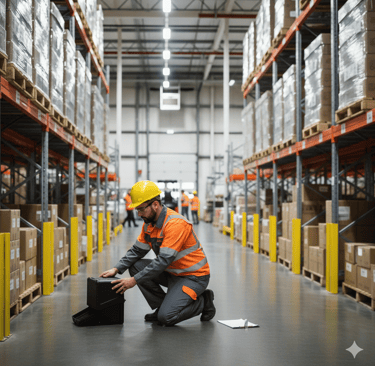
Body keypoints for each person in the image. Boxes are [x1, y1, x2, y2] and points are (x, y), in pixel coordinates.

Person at [100, 180, 216, 326]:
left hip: (193, 277)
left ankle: (204, 301)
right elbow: (137, 250)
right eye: (137, 210)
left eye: (141, 209)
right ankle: (163, 306)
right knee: (136, 266)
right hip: (173, 273)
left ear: (155, 205)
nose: (139, 213)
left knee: (166, 317)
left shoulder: (175, 224)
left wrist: (133, 281)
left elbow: (163, 261)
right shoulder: (149, 223)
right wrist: (116, 268)